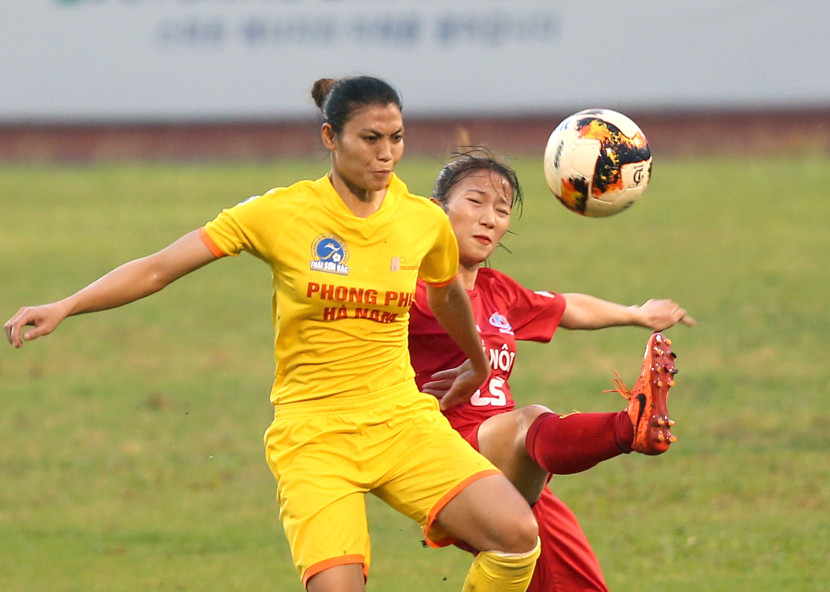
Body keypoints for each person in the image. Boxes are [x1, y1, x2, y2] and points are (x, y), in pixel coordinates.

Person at [4, 78, 542, 592]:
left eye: (396, 138)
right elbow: (158, 268)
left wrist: (477, 362)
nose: (386, 155)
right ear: (330, 137)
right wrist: (66, 305)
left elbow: (447, 296)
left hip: (402, 423)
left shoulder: (422, 220)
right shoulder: (281, 213)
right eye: (370, 139)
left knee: (517, 536)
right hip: (314, 437)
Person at [407, 150, 695, 592]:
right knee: (527, 421)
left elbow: (566, 308)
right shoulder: (407, 288)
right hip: (444, 457)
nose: (489, 219)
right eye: (475, 201)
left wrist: (636, 313)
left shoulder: (497, 291)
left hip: (513, 472)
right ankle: (629, 426)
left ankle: (631, 426)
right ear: (436, 210)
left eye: (502, 210)